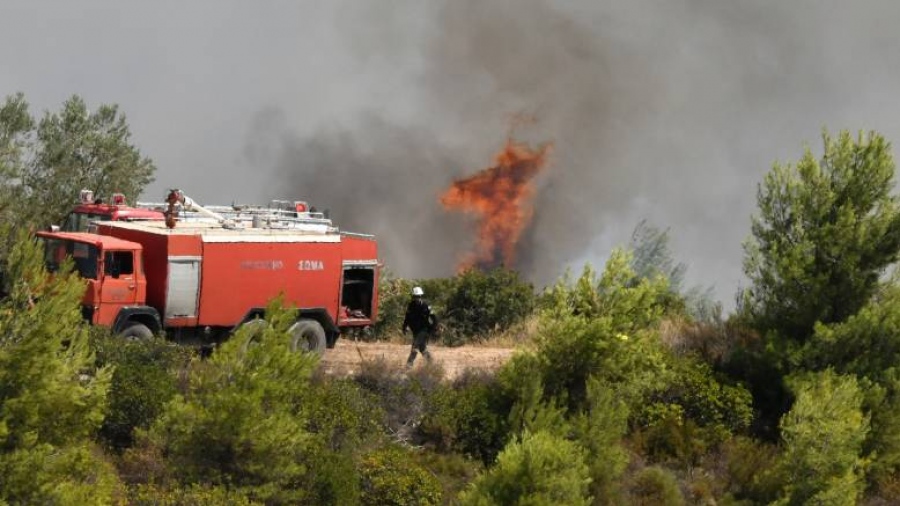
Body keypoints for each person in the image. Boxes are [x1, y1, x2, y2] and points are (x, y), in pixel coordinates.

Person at [402, 286, 438, 367]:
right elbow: (407, 317)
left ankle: (408, 365)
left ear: (421, 296)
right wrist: (404, 327)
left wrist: (434, 329)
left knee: (415, 347)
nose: (417, 298)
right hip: (415, 330)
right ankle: (431, 363)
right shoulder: (411, 305)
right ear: (412, 297)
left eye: (418, 296)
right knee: (422, 348)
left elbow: (434, 318)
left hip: (424, 330)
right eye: (415, 296)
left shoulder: (426, 305)